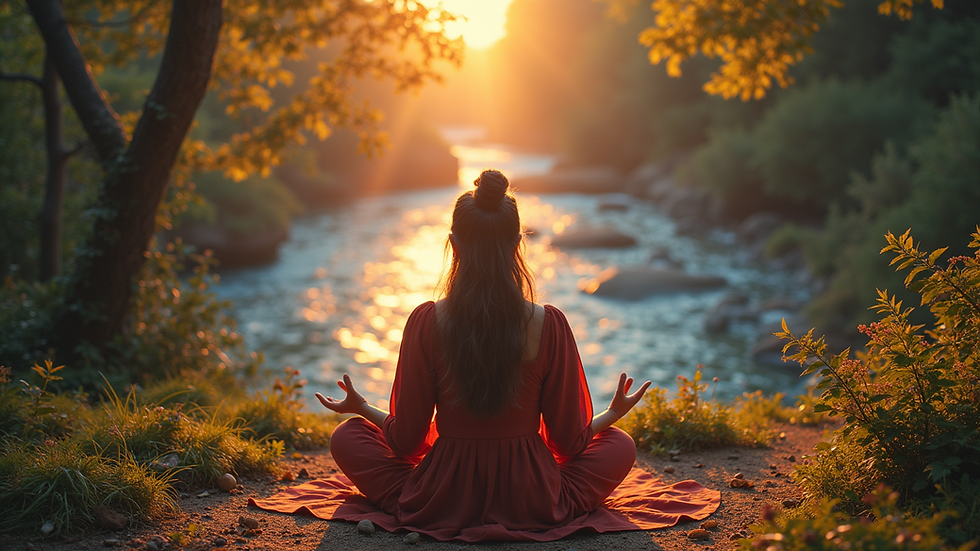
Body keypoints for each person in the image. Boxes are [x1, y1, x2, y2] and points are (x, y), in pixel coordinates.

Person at [250, 169, 719, 542]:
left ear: (453, 247)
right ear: (518, 246)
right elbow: (569, 445)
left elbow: (408, 443)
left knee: (348, 437)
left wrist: (362, 410)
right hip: (536, 500)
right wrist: (610, 417)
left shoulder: (426, 322)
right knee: (621, 446)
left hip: (437, 498)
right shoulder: (547, 323)